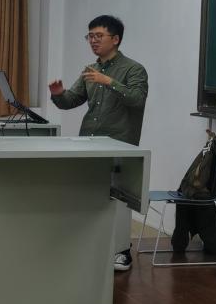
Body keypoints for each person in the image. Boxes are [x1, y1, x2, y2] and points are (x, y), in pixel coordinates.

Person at [49, 15, 149, 271]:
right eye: (90, 36)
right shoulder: (89, 70)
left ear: (115, 39)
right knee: (90, 193)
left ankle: (122, 251)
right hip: (89, 141)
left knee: (119, 197)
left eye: (98, 36)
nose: (93, 41)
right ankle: (93, 245)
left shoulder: (133, 69)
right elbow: (72, 100)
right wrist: (58, 95)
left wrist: (110, 82)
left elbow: (137, 98)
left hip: (119, 143)